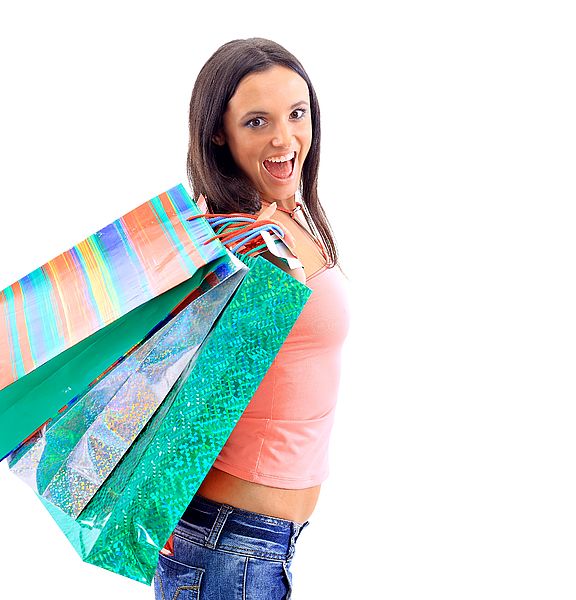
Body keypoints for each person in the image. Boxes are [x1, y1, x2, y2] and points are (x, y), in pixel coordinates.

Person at [153, 38, 350, 600]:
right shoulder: (231, 244)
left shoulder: (282, 223)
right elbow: (175, 383)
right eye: (258, 121)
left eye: (297, 113)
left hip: (257, 545)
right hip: (228, 547)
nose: (285, 138)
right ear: (220, 132)